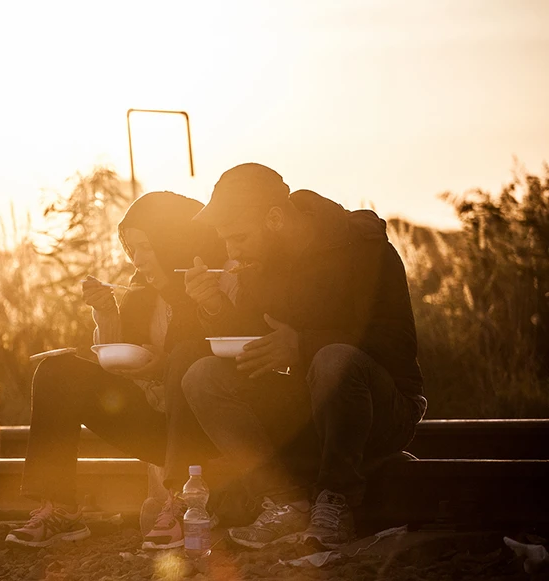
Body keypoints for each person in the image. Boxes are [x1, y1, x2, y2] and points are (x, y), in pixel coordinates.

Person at [181, 163, 426, 550]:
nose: (232, 251)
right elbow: (253, 343)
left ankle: (336, 500)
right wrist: (212, 306)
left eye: (239, 237)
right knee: (203, 375)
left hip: (383, 413)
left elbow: (398, 344)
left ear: (275, 218)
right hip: (306, 413)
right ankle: (284, 503)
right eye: (226, 241)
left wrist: (302, 344)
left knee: (333, 359)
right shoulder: (260, 267)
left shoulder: (364, 249)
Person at [5, 191, 229, 549]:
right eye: (132, 248)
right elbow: (119, 362)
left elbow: (223, 365)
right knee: (57, 371)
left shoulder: (212, 283)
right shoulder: (141, 293)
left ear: (173, 242)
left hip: (207, 439)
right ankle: (61, 510)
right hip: (160, 430)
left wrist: (168, 365)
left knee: (187, 356)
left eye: (147, 247)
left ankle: (186, 504)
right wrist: (107, 313)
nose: (138, 261)